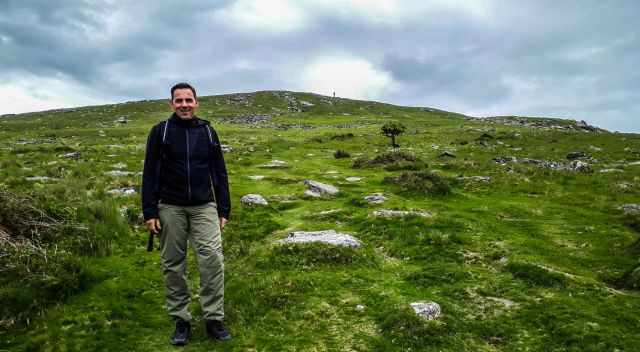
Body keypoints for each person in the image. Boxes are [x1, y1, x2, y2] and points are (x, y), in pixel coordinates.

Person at [141, 82, 231, 346]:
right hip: (170, 206)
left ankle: (214, 319)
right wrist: (149, 211)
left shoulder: (208, 132)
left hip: (204, 206)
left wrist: (224, 208)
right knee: (173, 264)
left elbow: (220, 172)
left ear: (196, 102)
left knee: (212, 260)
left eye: (188, 100)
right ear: (171, 104)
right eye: (178, 101)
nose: (184, 105)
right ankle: (181, 319)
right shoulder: (161, 132)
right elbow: (149, 173)